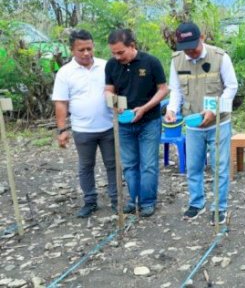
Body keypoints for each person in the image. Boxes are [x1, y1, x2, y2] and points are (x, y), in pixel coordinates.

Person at [164, 22, 238, 224]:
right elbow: (176, 90)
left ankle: (219, 207)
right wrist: (171, 109)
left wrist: (215, 109)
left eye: (193, 46)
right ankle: (196, 203)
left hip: (219, 123)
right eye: (185, 47)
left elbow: (231, 87)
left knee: (219, 166)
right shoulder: (177, 61)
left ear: (202, 38)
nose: (190, 52)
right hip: (192, 122)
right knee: (193, 166)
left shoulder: (220, 57)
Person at [52, 29, 117, 218]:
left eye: (89, 48)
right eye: (81, 50)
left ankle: (116, 199)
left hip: (108, 126)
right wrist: (62, 129)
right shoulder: (65, 73)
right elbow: (61, 102)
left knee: (113, 164)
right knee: (86, 166)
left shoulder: (107, 66)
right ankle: (90, 201)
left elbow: (114, 91)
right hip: (82, 129)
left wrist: (119, 109)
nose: (87, 53)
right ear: (72, 50)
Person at [104, 29, 168, 217]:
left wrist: (145, 108)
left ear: (132, 46)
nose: (117, 57)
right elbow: (108, 90)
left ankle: (148, 201)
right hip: (124, 123)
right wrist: (115, 104)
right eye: (113, 53)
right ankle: (134, 199)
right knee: (130, 164)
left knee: (148, 164)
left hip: (149, 121)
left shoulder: (151, 62)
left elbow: (163, 90)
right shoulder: (111, 66)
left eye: (121, 52)